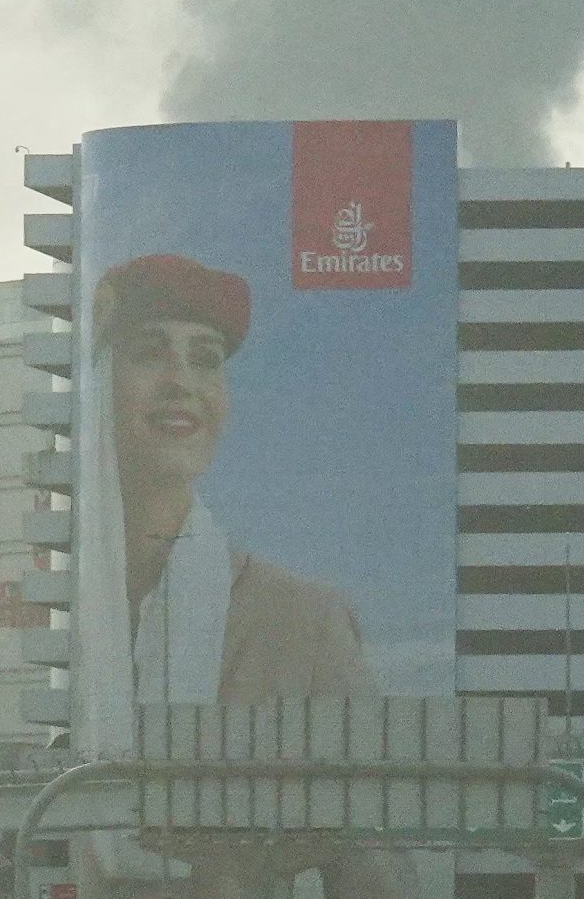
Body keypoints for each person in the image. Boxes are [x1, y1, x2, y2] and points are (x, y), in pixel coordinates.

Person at [90, 252, 411, 899]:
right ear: (101, 380)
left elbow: (373, 862)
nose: (181, 379)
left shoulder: (303, 621)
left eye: (205, 358)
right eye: (150, 351)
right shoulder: (66, 604)